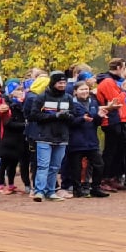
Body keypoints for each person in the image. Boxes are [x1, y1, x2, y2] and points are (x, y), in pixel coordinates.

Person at [30, 71, 75, 201]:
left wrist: (67, 116)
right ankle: (39, 191)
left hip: (62, 137)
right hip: (44, 136)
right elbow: (33, 115)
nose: (62, 85)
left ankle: (51, 191)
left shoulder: (68, 98)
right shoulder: (42, 97)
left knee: (55, 166)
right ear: (53, 83)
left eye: (64, 83)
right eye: (59, 83)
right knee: (43, 165)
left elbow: (73, 116)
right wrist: (53, 116)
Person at [63, 78, 108, 198]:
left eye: (86, 89)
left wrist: (99, 116)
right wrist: (82, 119)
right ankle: (77, 189)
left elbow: (95, 122)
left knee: (99, 164)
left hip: (91, 140)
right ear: (75, 91)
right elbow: (69, 121)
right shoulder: (70, 104)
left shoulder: (93, 102)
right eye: (82, 89)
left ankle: (96, 187)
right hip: (76, 141)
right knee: (76, 167)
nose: (85, 91)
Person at [93, 58, 126, 188]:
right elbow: (115, 102)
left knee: (119, 151)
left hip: (120, 120)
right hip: (111, 120)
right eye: (124, 68)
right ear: (119, 68)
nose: (124, 71)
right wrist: (124, 91)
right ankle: (104, 178)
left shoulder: (114, 81)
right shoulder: (107, 81)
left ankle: (113, 177)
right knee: (110, 151)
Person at [0, 79, 31, 194]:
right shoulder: (7, 104)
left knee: (14, 163)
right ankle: (0, 185)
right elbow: (7, 123)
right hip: (8, 138)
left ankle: (11, 184)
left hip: (19, 139)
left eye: (21, 90)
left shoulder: (23, 104)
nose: (20, 92)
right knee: (4, 163)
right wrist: (25, 125)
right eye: (17, 90)